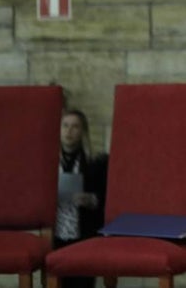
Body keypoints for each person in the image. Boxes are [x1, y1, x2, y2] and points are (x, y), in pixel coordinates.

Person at [55, 108, 108, 288]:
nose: (69, 131)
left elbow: (107, 199)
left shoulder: (96, 164)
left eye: (75, 127)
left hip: (84, 234)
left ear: (83, 131)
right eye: (65, 126)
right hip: (54, 235)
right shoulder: (46, 163)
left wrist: (91, 199)